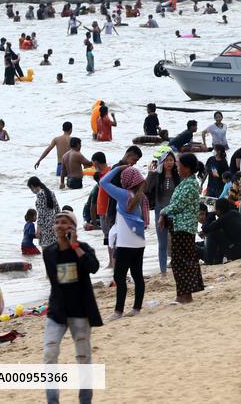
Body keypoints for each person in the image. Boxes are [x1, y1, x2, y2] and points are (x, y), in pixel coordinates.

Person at [42, 210, 102, 404]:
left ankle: (85, 401)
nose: (60, 225)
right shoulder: (48, 252)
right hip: (57, 311)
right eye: (57, 222)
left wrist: (75, 245)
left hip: (81, 312)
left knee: (83, 358)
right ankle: (53, 400)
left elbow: (93, 267)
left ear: (73, 227)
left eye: (65, 222)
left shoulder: (84, 249)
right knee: (49, 354)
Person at [98, 166, 148, 318]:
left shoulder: (124, 194)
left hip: (126, 243)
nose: (120, 181)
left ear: (127, 180)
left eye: (122, 178)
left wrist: (118, 168)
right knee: (137, 275)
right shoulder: (141, 196)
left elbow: (103, 182)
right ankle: (136, 309)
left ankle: (118, 311)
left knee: (119, 276)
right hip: (139, 241)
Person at [157, 152, 205, 303]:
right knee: (181, 260)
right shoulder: (186, 182)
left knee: (182, 261)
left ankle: (185, 295)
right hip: (180, 226)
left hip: (183, 227)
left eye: (179, 164)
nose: (177, 167)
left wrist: (162, 212)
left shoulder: (190, 184)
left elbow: (178, 205)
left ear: (187, 168)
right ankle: (184, 294)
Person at [145, 148, 179, 274]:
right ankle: (163, 271)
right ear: (162, 162)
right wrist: (150, 173)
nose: (169, 163)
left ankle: (177, 268)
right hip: (160, 212)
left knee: (177, 243)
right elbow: (146, 189)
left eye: (171, 160)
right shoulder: (156, 175)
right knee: (162, 244)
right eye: (166, 160)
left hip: (176, 212)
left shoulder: (179, 175)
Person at [201, 197, 241, 264]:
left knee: (213, 232)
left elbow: (205, 229)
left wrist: (211, 215)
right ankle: (217, 259)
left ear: (219, 210)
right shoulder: (235, 213)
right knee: (218, 231)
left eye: (215, 209)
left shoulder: (223, 219)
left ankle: (208, 261)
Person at [28, 177, 61, 247]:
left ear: (32, 186)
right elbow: (58, 210)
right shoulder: (50, 192)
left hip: (45, 226)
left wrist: (38, 229)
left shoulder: (40, 194)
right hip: (54, 224)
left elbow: (41, 214)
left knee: (46, 251)